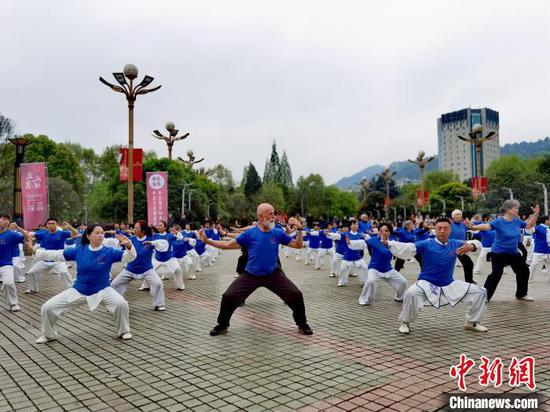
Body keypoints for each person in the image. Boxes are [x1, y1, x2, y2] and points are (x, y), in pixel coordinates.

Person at [200, 203, 313, 336]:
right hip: (251, 275)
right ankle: (222, 324)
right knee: (228, 296)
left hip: (273, 274)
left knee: (296, 294)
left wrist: (299, 230)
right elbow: (228, 245)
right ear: (261, 216)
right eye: (270, 214)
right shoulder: (250, 234)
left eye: (274, 213)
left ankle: (302, 323)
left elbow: (298, 245)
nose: (274, 217)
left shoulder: (277, 233)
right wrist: (207, 241)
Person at [385, 217, 488, 334]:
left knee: (480, 292)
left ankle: (472, 323)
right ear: (435, 229)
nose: (442, 231)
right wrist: (388, 243)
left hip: (449, 283)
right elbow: (407, 247)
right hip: (426, 283)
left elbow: (477, 243)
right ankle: (405, 322)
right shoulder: (426, 243)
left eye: (445, 228)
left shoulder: (456, 243)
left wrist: (472, 247)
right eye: (439, 228)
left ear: (450, 230)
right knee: (410, 293)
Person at [35, 224, 136, 343]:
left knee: (121, 304)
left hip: (102, 289)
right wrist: (38, 252)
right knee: (47, 307)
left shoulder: (109, 252)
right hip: (79, 290)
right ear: (88, 236)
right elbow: (57, 254)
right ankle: (48, 335)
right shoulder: (79, 250)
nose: (100, 235)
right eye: (97, 233)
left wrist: (129, 245)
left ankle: (124, 331)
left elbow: (129, 257)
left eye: (102, 233)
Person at [466, 200, 538, 301]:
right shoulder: (499, 221)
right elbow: (487, 226)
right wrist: (473, 227)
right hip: (498, 253)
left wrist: (536, 214)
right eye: (516, 208)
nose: (518, 210)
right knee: (496, 274)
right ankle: (485, 297)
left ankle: (521, 294)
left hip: (513, 253)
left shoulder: (517, 221)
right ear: (508, 209)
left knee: (524, 271)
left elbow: (529, 226)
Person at [111, 220, 168, 311]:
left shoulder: (151, 238)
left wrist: (152, 243)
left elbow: (165, 245)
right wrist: (122, 242)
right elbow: (121, 248)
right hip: (130, 269)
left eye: (137, 228)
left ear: (143, 230)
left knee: (158, 283)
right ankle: (115, 304)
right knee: (115, 284)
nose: (134, 229)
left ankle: (158, 304)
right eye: (134, 228)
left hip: (146, 269)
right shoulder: (131, 240)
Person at [347, 222, 407, 306]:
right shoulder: (374, 240)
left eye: (386, 231)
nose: (383, 232)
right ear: (378, 231)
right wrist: (351, 242)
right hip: (374, 268)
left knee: (403, 282)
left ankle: (399, 297)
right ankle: (365, 299)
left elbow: (401, 250)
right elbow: (362, 243)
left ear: (390, 232)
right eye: (381, 230)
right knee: (371, 281)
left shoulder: (393, 242)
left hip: (387, 269)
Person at [26, 218, 78, 294]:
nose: (51, 225)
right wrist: (27, 237)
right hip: (44, 261)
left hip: (58, 261)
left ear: (57, 225)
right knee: (31, 273)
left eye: (53, 223)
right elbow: (30, 235)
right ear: (46, 225)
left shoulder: (62, 233)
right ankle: (33, 289)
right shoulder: (43, 233)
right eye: (49, 224)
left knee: (64, 272)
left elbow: (75, 233)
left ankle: (71, 290)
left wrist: (69, 227)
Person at [0, 215, 31, 312]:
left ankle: (13, 304)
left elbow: (28, 238)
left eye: (8, 220)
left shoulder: (12, 234)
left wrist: (18, 229)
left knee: (8, 283)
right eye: (4, 219)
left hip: (6, 264)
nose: (6, 221)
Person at [450, 210, 475, 283]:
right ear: (453, 216)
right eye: (456, 215)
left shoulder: (463, 224)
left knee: (469, 263)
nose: (458, 216)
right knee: (447, 264)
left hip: (462, 248)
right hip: (451, 247)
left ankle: (469, 280)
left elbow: (473, 227)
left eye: (459, 214)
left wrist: (470, 223)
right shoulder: (449, 225)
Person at [527, 215, 550, 282]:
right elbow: (530, 231)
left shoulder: (548, 228)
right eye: (549, 219)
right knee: (533, 265)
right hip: (539, 251)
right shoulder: (538, 227)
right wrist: (531, 221)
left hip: (548, 251)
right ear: (545, 221)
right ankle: (528, 278)